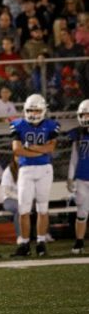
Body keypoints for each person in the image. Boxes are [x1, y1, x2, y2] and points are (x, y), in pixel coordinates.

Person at [10, 94, 59, 258]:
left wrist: (30, 148)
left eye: (37, 110)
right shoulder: (18, 124)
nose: (33, 113)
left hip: (44, 169)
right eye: (30, 110)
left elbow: (51, 148)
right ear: (25, 110)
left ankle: (40, 242)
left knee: (42, 208)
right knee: (23, 209)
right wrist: (40, 149)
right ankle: (24, 243)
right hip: (26, 170)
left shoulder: (51, 125)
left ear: (43, 110)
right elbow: (16, 150)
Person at [67, 100, 89, 255]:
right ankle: (79, 241)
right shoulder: (78, 133)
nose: (85, 117)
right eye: (83, 114)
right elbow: (74, 157)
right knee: (82, 210)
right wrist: (70, 177)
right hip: (82, 177)